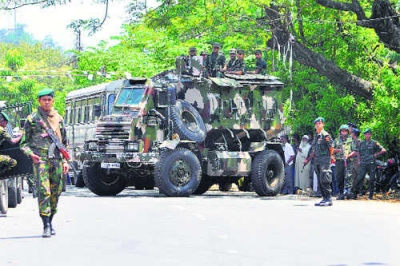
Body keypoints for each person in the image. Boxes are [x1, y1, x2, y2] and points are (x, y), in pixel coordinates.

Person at [21, 88, 69, 238]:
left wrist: (66, 161)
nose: (47, 102)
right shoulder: (32, 119)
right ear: (39, 101)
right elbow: (24, 143)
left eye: (49, 99)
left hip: (57, 160)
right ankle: (46, 225)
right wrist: (32, 155)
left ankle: (51, 219)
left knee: (56, 192)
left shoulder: (58, 118)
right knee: (44, 191)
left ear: (52, 101)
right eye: (44, 100)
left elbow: (65, 143)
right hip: (40, 160)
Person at [304, 117, 334, 206]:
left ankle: (329, 198)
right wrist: (308, 159)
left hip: (324, 160)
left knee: (325, 179)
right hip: (317, 160)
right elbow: (313, 149)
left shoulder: (325, 135)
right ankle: (324, 198)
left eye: (320, 123)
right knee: (320, 179)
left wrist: (330, 156)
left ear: (323, 124)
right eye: (316, 124)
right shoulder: (316, 136)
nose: (318, 125)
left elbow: (331, 147)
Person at [350, 128, 386, 200]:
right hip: (363, 163)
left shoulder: (374, 143)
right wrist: (359, 161)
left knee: (372, 179)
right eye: (366, 134)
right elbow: (358, 152)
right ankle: (354, 194)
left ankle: (371, 195)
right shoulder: (361, 143)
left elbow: (383, 150)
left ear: (371, 135)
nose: (367, 135)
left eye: (368, 134)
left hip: (371, 163)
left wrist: (376, 155)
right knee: (359, 178)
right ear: (364, 135)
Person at [332, 125, 352, 200]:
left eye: (345, 131)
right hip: (339, 161)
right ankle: (341, 193)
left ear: (347, 132)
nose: (344, 132)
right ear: (340, 132)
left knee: (348, 176)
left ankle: (348, 193)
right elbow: (331, 150)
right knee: (339, 177)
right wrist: (337, 150)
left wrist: (348, 156)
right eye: (342, 131)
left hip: (348, 161)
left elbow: (355, 151)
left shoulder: (351, 140)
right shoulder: (336, 140)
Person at [345, 127, 360, 199]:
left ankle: (355, 192)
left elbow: (357, 152)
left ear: (354, 134)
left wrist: (348, 155)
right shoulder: (352, 141)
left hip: (356, 160)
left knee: (356, 176)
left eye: (352, 133)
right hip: (352, 160)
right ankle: (352, 192)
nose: (351, 134)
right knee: (352, 176)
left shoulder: (358, 141)